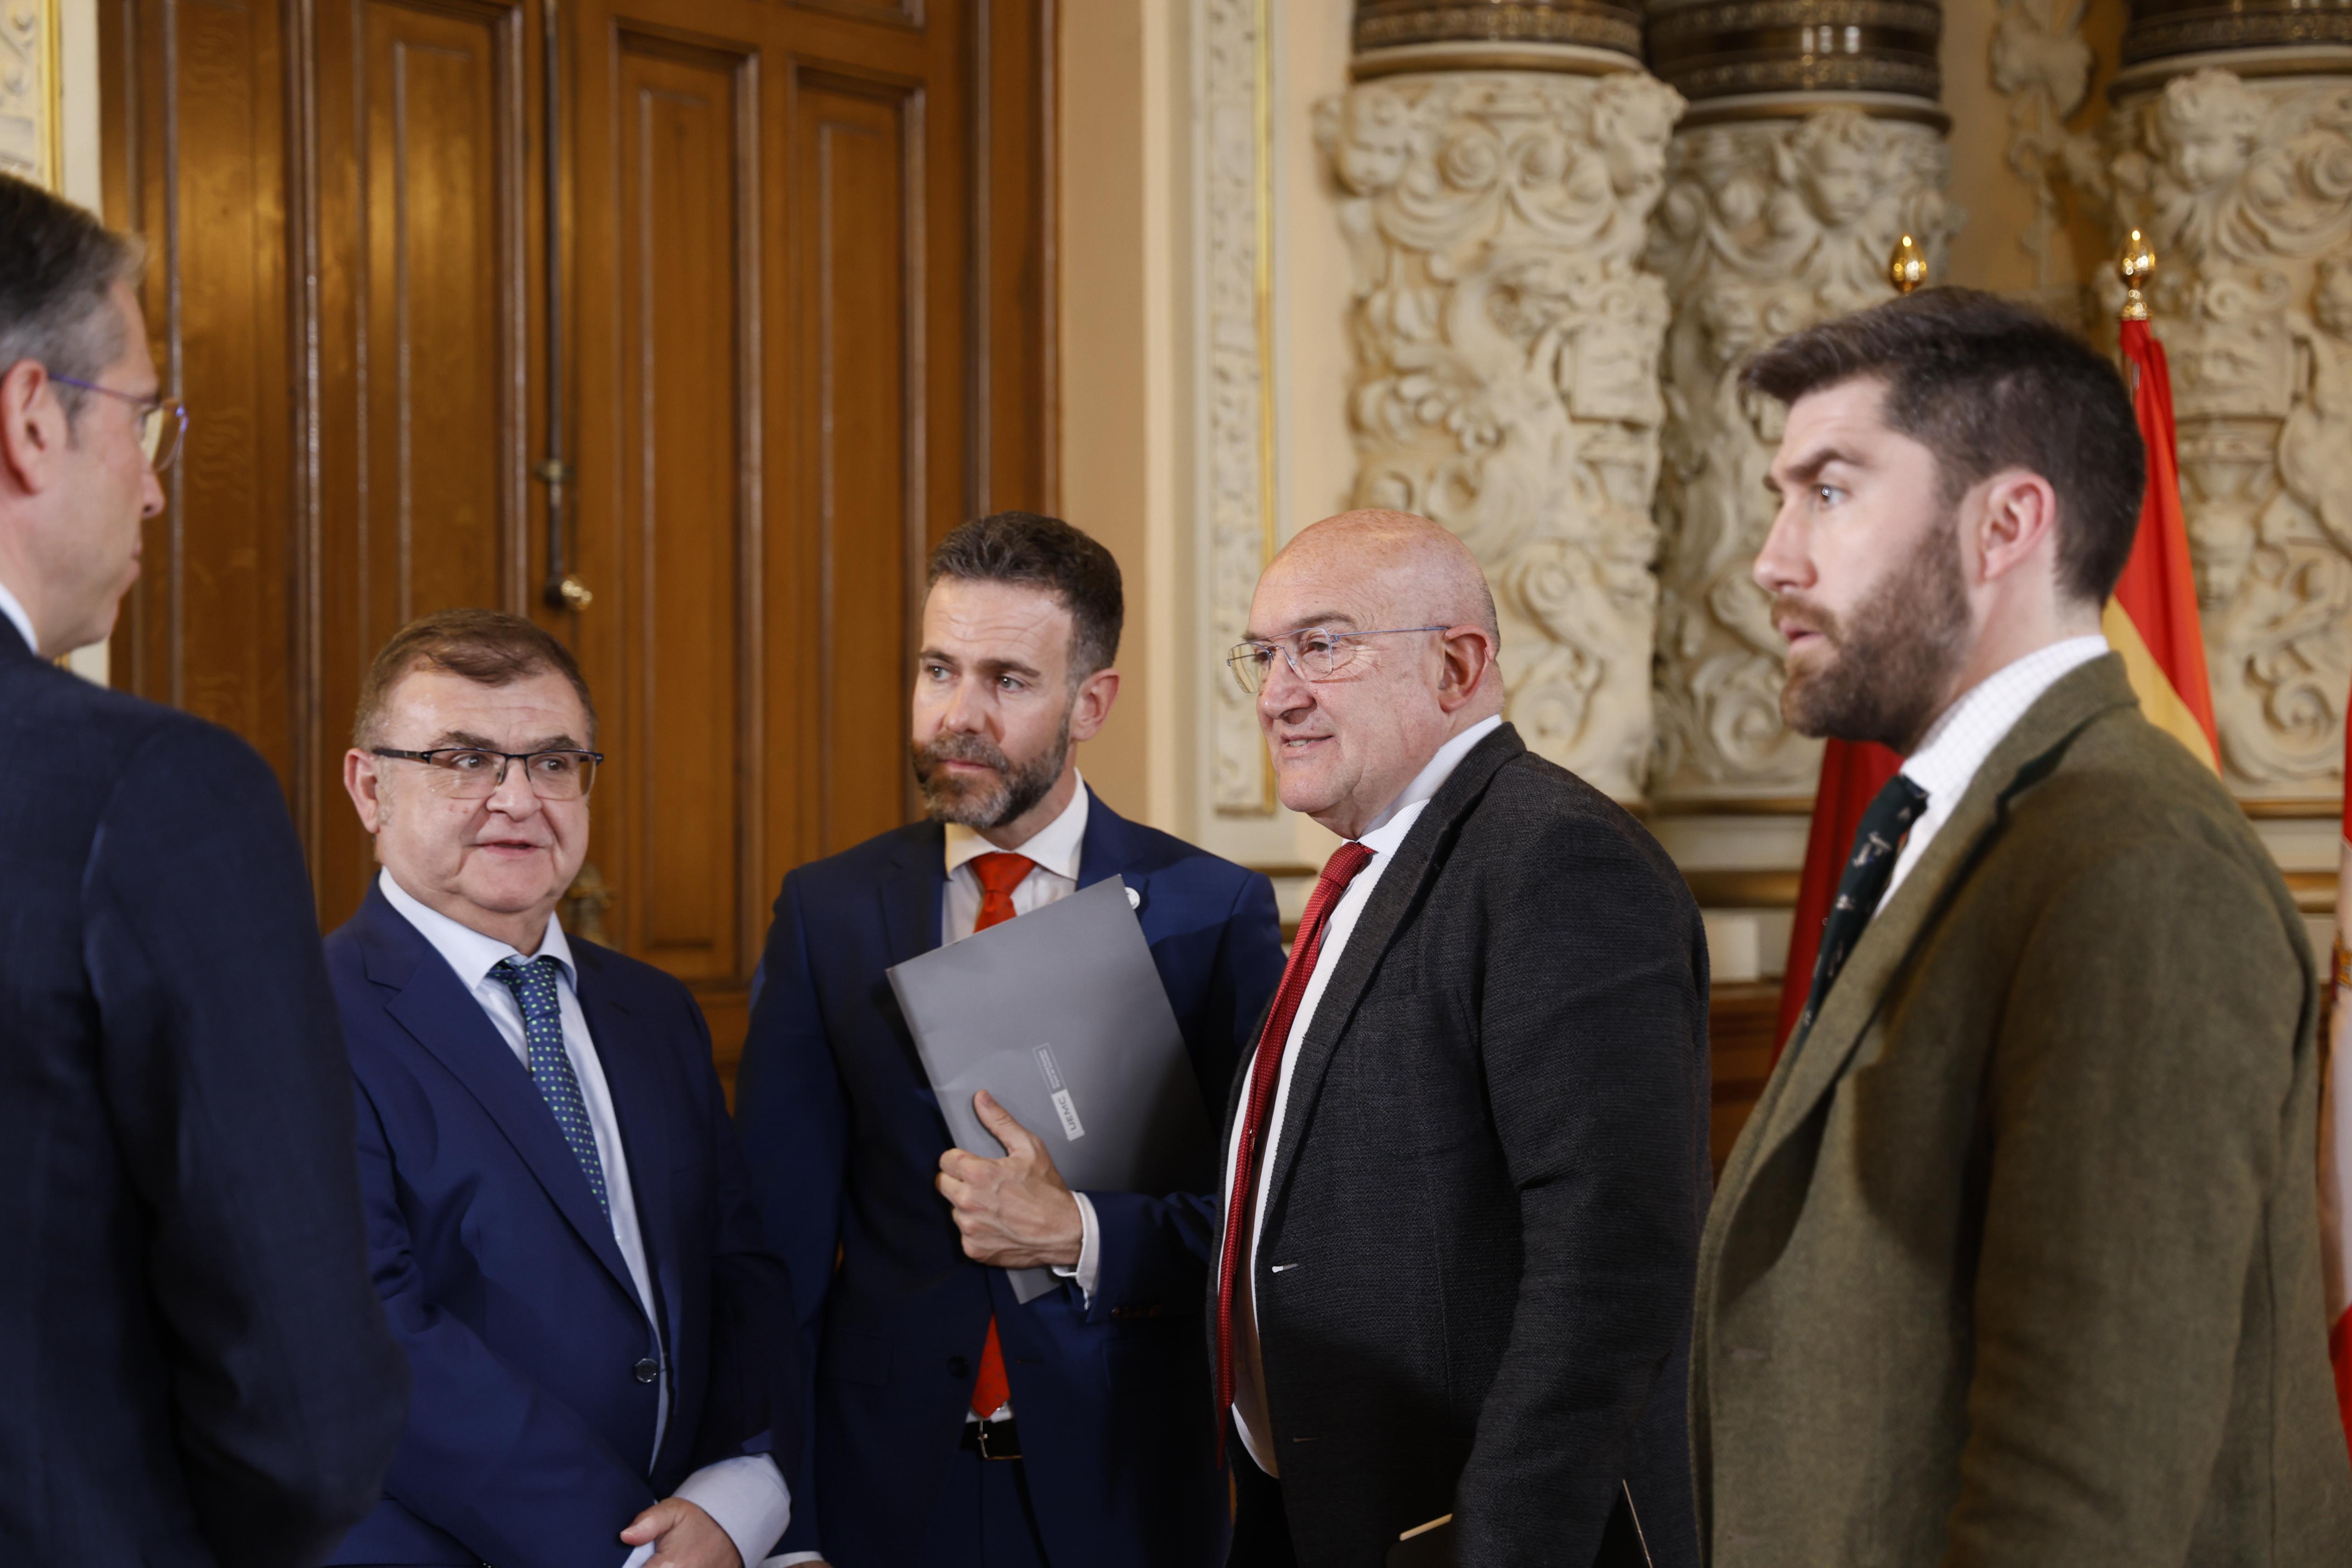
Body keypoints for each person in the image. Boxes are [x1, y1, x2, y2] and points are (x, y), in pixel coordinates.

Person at [1695, 288, 2352, 1562]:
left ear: (2006, 524)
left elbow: (2082, 1487)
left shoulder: (2135, 861)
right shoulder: (1968, 826)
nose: (1773, 558)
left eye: (1828, 491)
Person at [733, 511, 1286, 1568]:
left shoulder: (1211, 915)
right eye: (938, 669)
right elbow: (774, 1251)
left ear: (1092, 702)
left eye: (1008, 681)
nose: (958, 716)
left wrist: (1078, 1232)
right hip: (884, 1495)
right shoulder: (826, 912)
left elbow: (1260, 1230)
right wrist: (781, 1522)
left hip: (1126, 1493)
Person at [0, 171, 407, 1567]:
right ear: (32, 417)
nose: (157, 483)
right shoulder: (153, 797)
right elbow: (307, 1414)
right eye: (144, 417)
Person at [1217, 509, 1708, 1568]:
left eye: (1321, 646)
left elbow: (1611, 1263)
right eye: (1264, 654)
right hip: (1319, 1507)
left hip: (1466, 1530)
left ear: (1456, 665)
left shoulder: (1557, 861)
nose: (1276, 695)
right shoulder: (1371, 867)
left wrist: (1503, 1545)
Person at [325, 610, 804, 1568]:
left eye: (552, 762)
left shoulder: (654, 1010)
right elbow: (370, 1343)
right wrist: (633, 1553)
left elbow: (738, 1278)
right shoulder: (295, 1020)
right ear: (371, 788)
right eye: (465, 760)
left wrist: (742, 1493)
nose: (516, 800)